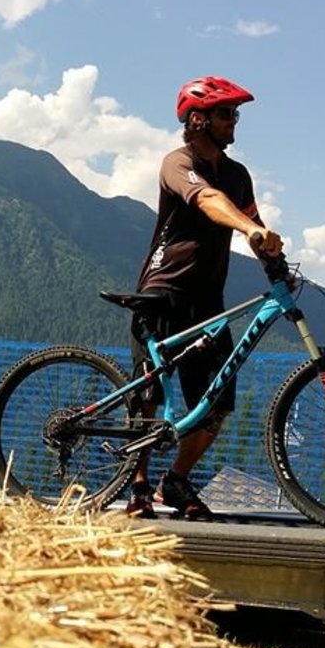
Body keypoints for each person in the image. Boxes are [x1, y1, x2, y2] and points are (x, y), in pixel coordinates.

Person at [125, 76, 284, 520]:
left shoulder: (237, 174)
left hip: (207, 300)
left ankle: (173, 482)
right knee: (148, 395)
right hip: (163, 291)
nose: (235, 122)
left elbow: (252, 221)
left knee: (216, 403)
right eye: (226, 113)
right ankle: (136, 483)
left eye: (235, 114)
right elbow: (208, 200)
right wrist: (248, 228)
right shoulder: (178, 162)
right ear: (198, 119)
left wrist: (272, 255)